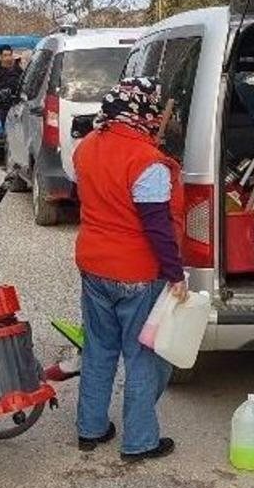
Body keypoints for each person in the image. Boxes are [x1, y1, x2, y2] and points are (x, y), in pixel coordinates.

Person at [73, 76, 187, 461]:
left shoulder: (87, 146)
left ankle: (90, 429)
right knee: (141, 356)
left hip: (93, 264)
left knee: (98, 349)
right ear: (146, 112)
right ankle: (139, 442)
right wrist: (175, 274)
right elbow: (157, 225)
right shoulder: (146, 161)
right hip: (137, 272)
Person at [0, 45, 23, 128]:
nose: (8, 58)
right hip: (4, 108)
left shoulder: (18, 70)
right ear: (1, 56)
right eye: (5, 55)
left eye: (9, 55)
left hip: (16, 107)